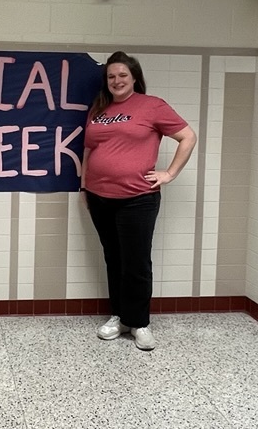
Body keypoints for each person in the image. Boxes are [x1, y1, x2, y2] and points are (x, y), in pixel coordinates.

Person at [81, 51, 197, 350]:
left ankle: (140, 322)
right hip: (99, 196)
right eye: (111, 76)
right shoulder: (99, 108)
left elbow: (188, 137)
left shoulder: (152, 105)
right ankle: (119, 316)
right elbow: (89, 149)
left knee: (136, 262)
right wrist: (84, 187)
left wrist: (169, 173)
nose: (116, 81)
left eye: (122, 75)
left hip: (137, 198)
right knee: (113, 258)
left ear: (134, 78)